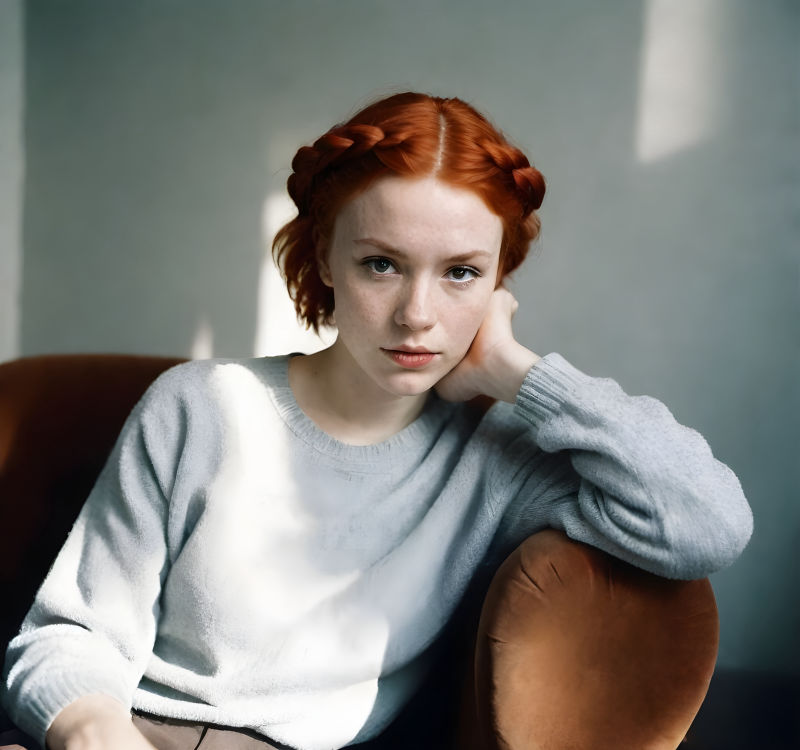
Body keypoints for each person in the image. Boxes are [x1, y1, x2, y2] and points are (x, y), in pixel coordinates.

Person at [1, 92, 753, 750]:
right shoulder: (201, 406)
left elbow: (706, 523)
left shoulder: (496, 458)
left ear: (499, 281)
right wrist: (96, 732)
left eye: (461, 273)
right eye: (381, 264)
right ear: (326, 258)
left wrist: (519, 373)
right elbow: (69, 637)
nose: (417, 315)